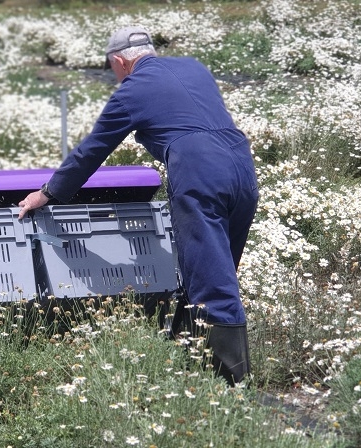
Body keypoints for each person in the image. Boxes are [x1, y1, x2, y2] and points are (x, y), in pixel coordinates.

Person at [17, 26, 258, 386]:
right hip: (242, 165)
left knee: (211, 281)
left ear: (119, 61)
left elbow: (91, 150)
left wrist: (47, 193)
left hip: (199, 171)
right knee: (218, 270)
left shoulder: (132, 91)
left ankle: (228, 388)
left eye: (111, 69)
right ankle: (193, 366)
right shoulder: (194, 67)